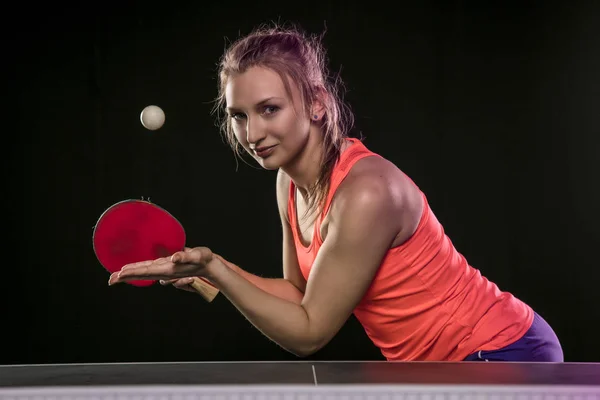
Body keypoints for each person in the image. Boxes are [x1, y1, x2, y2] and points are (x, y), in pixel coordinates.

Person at [108, 23, 563, 362]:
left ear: (318, 103)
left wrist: (218, 269)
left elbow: (310, 333)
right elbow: (297, 295)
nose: (252, 132)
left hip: (501, 352)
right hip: (434, 367)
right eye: (239, 115)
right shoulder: (288, 181)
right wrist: (210, 274)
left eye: (269, 109)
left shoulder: (366, 193)